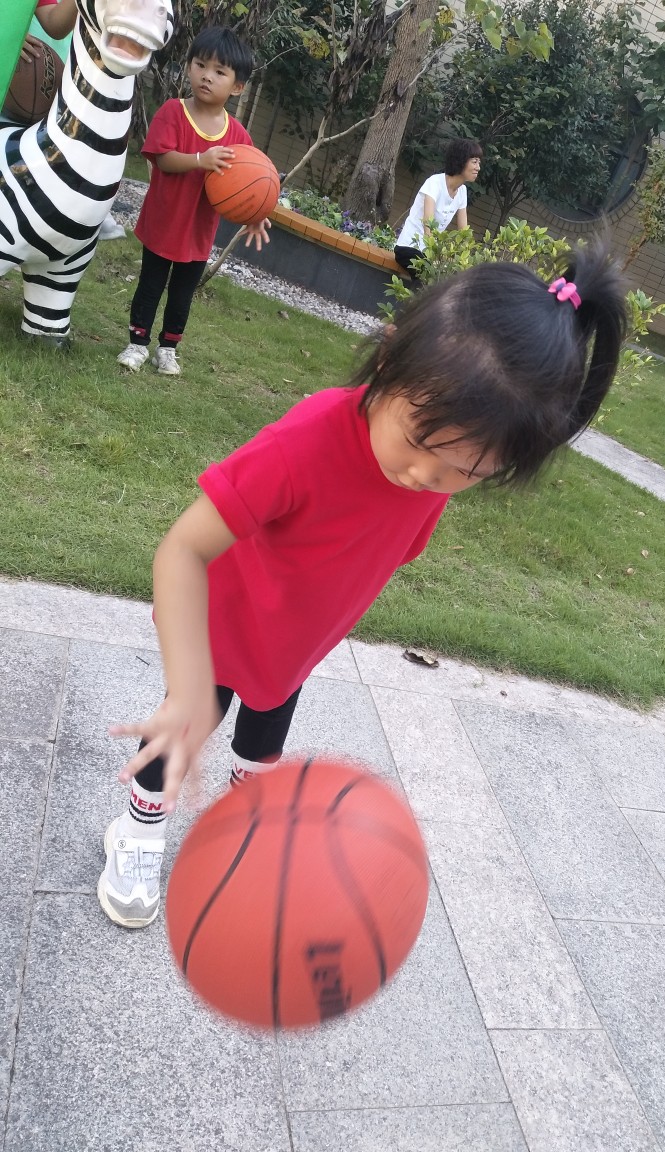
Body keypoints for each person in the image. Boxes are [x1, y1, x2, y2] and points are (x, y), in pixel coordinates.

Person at [97, 246, 629, 928]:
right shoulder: (305, 443)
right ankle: (137, 833)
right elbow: (182, 549)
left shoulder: (430, 480)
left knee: (263, 748)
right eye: (419, 442)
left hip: (295, 646)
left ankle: (239, 832)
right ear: (387, 361)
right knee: (183, 730)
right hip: (224, 626)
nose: (425, 477)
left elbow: (377, 552)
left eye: (464, 472)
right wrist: (190, 681)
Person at [116, 26, 270, 378]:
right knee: (150, 285)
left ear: (237, 87)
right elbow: (164, 159)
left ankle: (168, 349)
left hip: (198, 233)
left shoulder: (238, 137)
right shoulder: (173, 112)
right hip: (163, 223)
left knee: (182, 294)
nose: (207, 76)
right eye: (200, 65)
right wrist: (201, 159)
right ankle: (137, 344)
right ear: (189, 67)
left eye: (219, 71)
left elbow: (250, 185)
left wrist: (256, 214)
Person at [15, 0, 126, 240]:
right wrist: (8, 35)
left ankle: (82, 205)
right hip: (18, 74)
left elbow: (55, 24)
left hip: (55, 75)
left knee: (67, 145)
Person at [393, 138, 483, 278]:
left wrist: (466, 261)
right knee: (430, 277)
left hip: (428, 254)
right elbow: (428, 225)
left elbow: (464, 232)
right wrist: (436, 259)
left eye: (479, 163)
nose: (478, 168)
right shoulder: (435, 182)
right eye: (474, 162)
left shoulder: (462, 192)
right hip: (409, 247)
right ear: (461, 161)